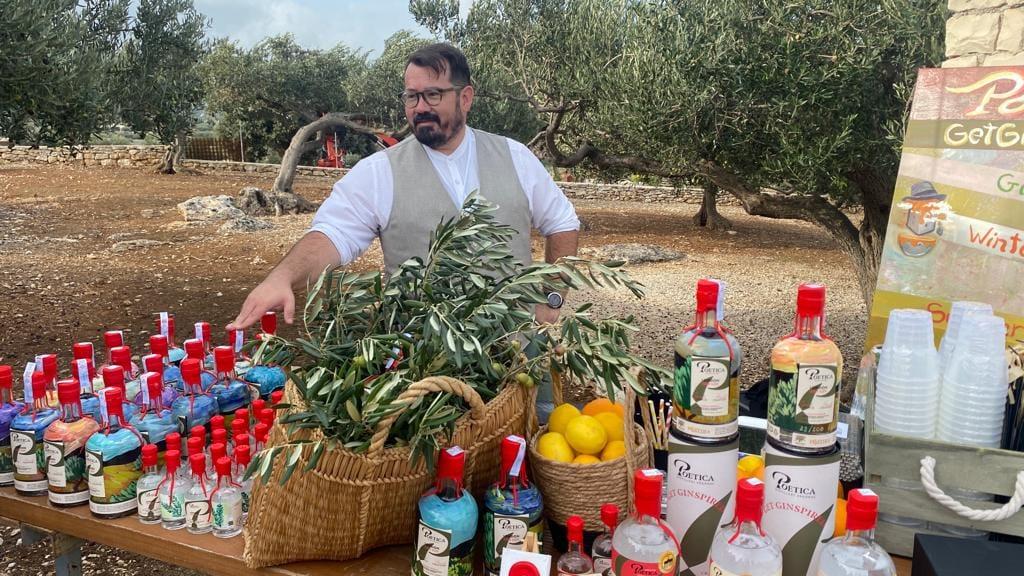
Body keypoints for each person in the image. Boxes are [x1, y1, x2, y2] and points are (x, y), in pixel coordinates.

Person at [228, 43, 580, 331]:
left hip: (518, 359)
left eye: (433, 94)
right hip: (421, 365)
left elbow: (562, 222)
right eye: (411, 97)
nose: (420, 107)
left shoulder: (515, 157)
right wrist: (282, 277)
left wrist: (551, 299)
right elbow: (332, 234)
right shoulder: (379, 172)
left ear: (466, 98)